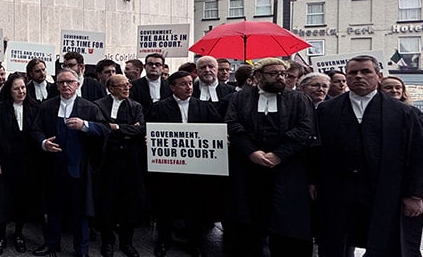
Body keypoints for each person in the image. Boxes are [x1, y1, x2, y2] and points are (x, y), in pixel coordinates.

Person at [315, 55, 423, 256]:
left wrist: (414, 194)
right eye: (353, 72)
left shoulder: (404, 113)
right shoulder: (327, 109)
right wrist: (313, 183)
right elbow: (317, 151)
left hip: (386, 192)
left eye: (366, 72)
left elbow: (417, 154)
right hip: (339, 191)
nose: (359, 76)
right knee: (335, 242)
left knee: (388, 245)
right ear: (346, 77)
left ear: (379, 76)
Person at [225, 58, 316, 256]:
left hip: (287, 167)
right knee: (248, 217)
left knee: (286, 220)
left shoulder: (299, 99)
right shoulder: (240, 98)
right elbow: (233, 125)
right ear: (257, 77)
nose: (280, 78)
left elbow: (305, 129)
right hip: (248, 167)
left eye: (283, 74)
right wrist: (252, 152)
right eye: (273, 73)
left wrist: (279, 154)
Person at [30, 68, 109, 257]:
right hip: (53, 168)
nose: (65, 85)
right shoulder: (47, 106)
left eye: (69, 82)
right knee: (53, 208)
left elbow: (105, 130)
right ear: (56, 86)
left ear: (77, 84)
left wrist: (86, 126)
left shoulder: (89, 107)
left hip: (78, 168)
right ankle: (52, 243)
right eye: (61, 82)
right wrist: (43, 143)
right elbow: (35, 130)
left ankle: (81, 249)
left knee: (80, 211)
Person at [146, 71, 223, 257]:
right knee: (165, 206)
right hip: (168, 168)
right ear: (172, 87)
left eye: (190, 83)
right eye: (183, 84)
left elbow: (217, 130)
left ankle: (194, 243)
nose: (188, 87)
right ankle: (163, 241)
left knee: (194, 207)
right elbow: (149, 129)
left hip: (196, 170)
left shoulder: (204, 107)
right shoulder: (159, 107)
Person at [93, 74, 146, 257]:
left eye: (128, 85)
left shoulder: (135, 106)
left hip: (131, 164)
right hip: (107, 162)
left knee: (129, 203)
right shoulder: (99, 105)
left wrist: (117, 128)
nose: (126, 88)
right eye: (122, 85)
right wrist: (128, 128)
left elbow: (141, 129)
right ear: (111, 88)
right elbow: (102, 128)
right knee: (107, 203)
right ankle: (108, 242)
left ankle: (127, 242)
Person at [0, 74, 38, 255]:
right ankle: (1, 236)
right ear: (9, 90)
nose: (21, 91)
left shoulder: (34, 107)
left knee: (22, 201)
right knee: (2, 200)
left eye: (23, 87)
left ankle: (18, 234)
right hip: (4, 163)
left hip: (26, 164)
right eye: (16, 88)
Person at [379, 76, 423, 256]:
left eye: (398, 88)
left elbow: (418, 155)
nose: (395, 91)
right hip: (381, 191)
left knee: (407, 244)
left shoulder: (413, 114)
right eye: (389, 88)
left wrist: (414, 194)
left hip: (407, 190)